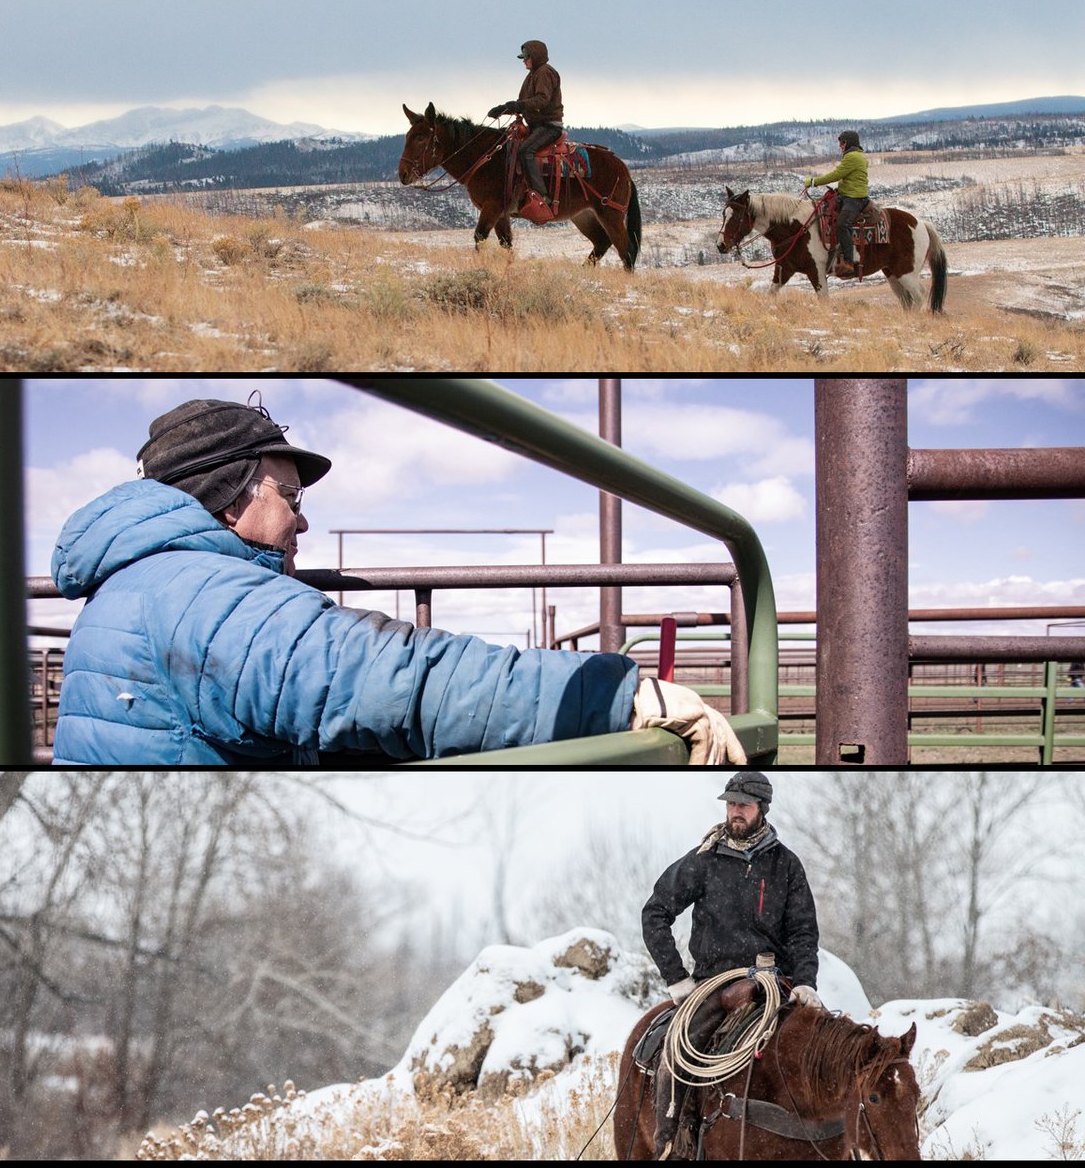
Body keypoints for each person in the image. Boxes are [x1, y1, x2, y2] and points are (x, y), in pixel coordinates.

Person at [50, 394, 748, 766]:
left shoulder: (141, 583)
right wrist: (620, 695)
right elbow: (393, 678)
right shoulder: (207, 599)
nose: (303, 522)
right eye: (289, 497)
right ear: (231, 498)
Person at [641, 770, 821, 1159]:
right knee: (677, 1054)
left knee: (823, 1050)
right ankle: (673, 1142)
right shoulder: (703, 861)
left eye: (744, 805)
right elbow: (655, 913)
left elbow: (804, 931)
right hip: (714, 982)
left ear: (762, 809)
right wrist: (676, 978)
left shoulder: (786, 865)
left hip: (775, 982)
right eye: (731, 804)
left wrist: (806, 981)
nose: (735, 812)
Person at [487, 39, 565, 211]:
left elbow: (541, 100)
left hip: (549, 126)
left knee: (525, 150)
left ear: (535, 56)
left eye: (526, 57)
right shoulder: (532, 75)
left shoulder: (544, 73)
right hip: (536, 125)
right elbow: (523, 103)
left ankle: (541, 195)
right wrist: (505, 109)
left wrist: (519, 106)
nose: (523, 61)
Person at [804, 129, 869, 276]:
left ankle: (848, 261)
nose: (840, 146)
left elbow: (836, 175)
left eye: (841, 143)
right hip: (847, 195)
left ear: (847, 143)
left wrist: (813, 182)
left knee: (842, 224)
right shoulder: (856, 156)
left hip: (854, 199)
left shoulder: (852, 157)